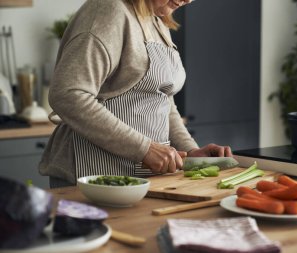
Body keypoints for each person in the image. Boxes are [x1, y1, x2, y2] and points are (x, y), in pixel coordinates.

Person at [39, 0, 233, 188]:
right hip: (91, 174)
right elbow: (68, 94)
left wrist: (190, 150)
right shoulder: (107, 11)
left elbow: (162, 99)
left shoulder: (157, 20)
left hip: (140, 178)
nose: (189, 0)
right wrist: (144, 148)